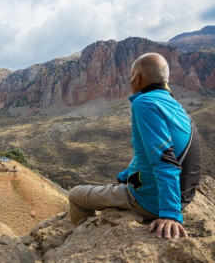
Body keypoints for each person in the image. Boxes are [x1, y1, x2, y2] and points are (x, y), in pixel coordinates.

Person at [68, 53, 201, 239]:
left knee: (75, 195)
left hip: (150, 200)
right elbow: (146, 155)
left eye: (131, 78)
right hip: (182, 195)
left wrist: (170, 214)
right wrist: (124, 177)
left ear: (137, 78)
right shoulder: (174, 105)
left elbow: (164, 159)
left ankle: (81, 239)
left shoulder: (143, 103)